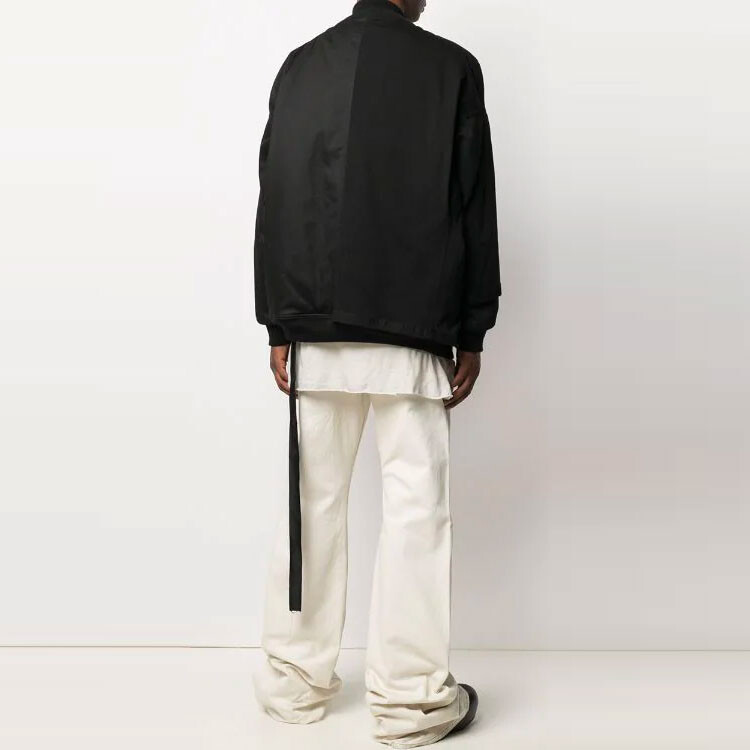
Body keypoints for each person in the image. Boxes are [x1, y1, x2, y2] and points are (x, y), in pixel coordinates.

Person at [253, 0, 500, 746]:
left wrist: (279, 322)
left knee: (309, 509)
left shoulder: (301, 66)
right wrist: (472, 325)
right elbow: (473, 202)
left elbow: (276, 193)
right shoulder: (450, 67)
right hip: (410, 323)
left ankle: (292, 688)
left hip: (314, 325)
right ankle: (411, 704)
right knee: (416, 510)